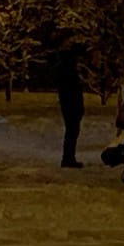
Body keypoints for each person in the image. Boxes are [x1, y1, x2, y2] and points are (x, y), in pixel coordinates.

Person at [54, 39, 87, 168]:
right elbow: (72, 88)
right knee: (72, 131)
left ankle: (68, 157)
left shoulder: (65, 66)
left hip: (68, 103)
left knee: (71, 131)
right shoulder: (69, 68)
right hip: (71, 103)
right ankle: (68, 158)